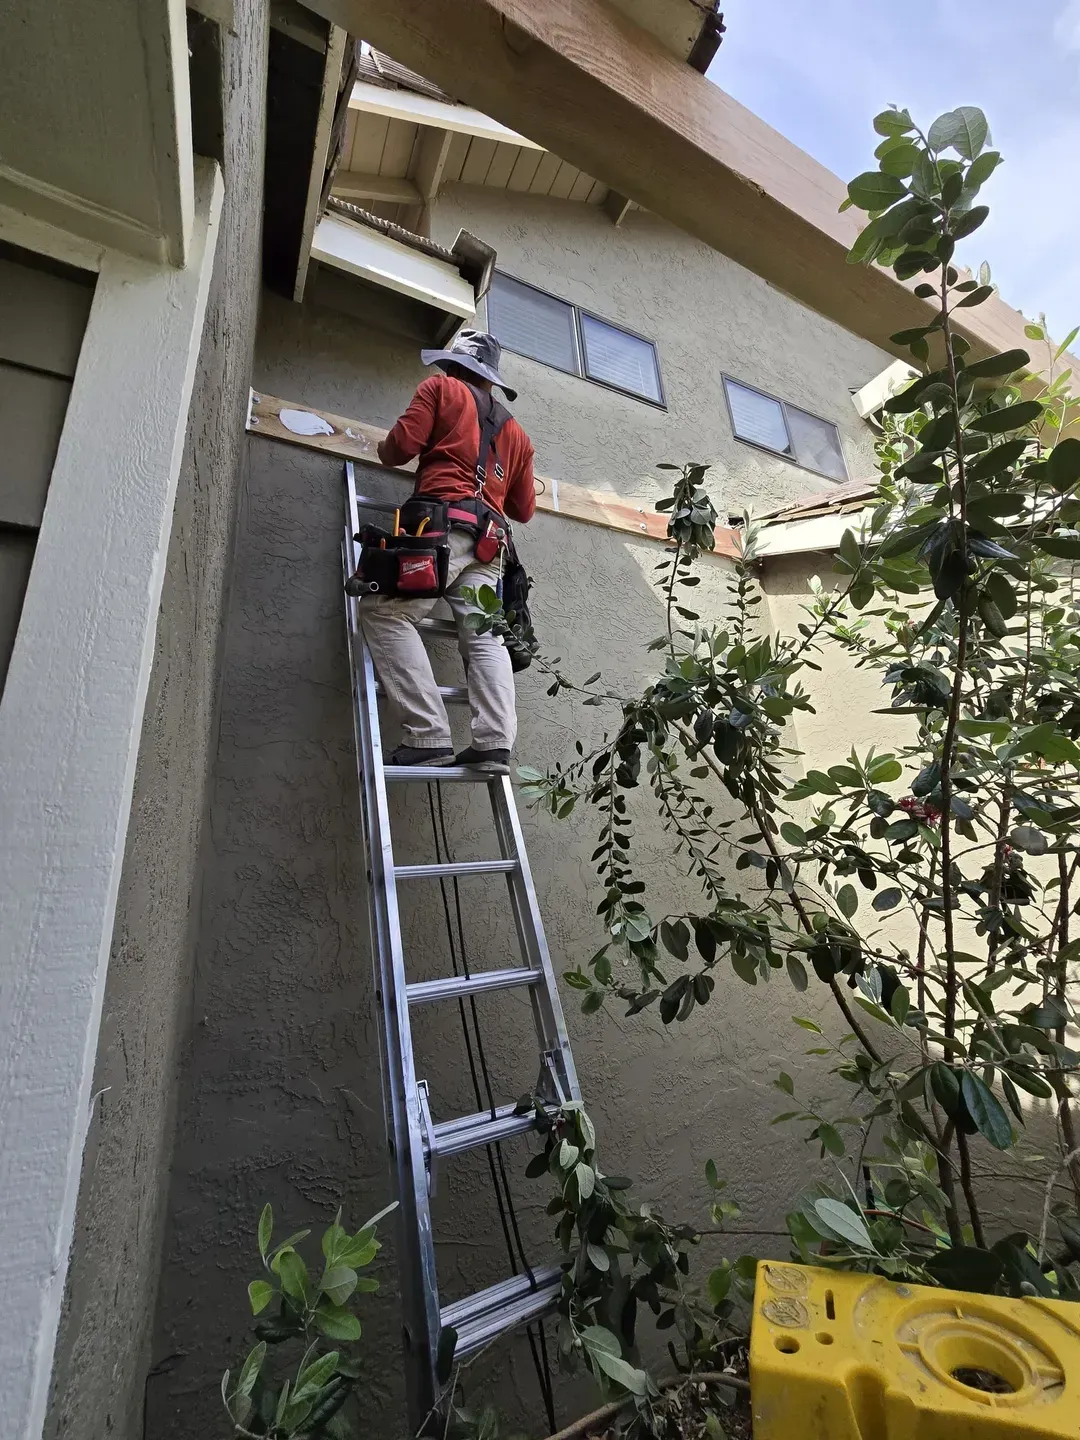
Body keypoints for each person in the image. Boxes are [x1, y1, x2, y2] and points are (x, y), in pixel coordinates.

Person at [362, 329, 536, 775]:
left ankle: (427, 735)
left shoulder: (440, 389)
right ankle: (494, 743)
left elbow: (396, 450)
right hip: (490, 545)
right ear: (490, 379)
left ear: (456, 366)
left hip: (441, 529)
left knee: (385, 614)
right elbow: (523, 509)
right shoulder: (517, 433)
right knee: (484, 638)